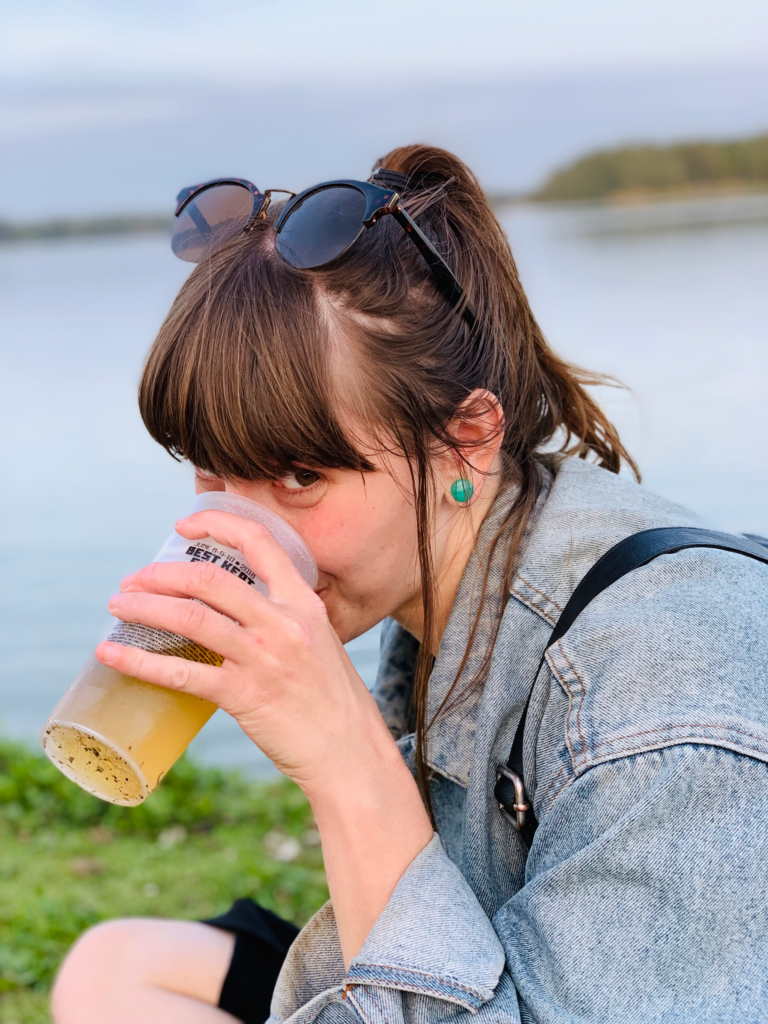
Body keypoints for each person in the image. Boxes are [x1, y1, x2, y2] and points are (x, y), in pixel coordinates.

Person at [51, 145, 768, 1024]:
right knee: (117, 970)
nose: (239, 535)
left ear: (468, 437)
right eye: (210, 473)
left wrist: (344, 759)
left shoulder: (668, 700)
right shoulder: (438, 564)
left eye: (298, 477)